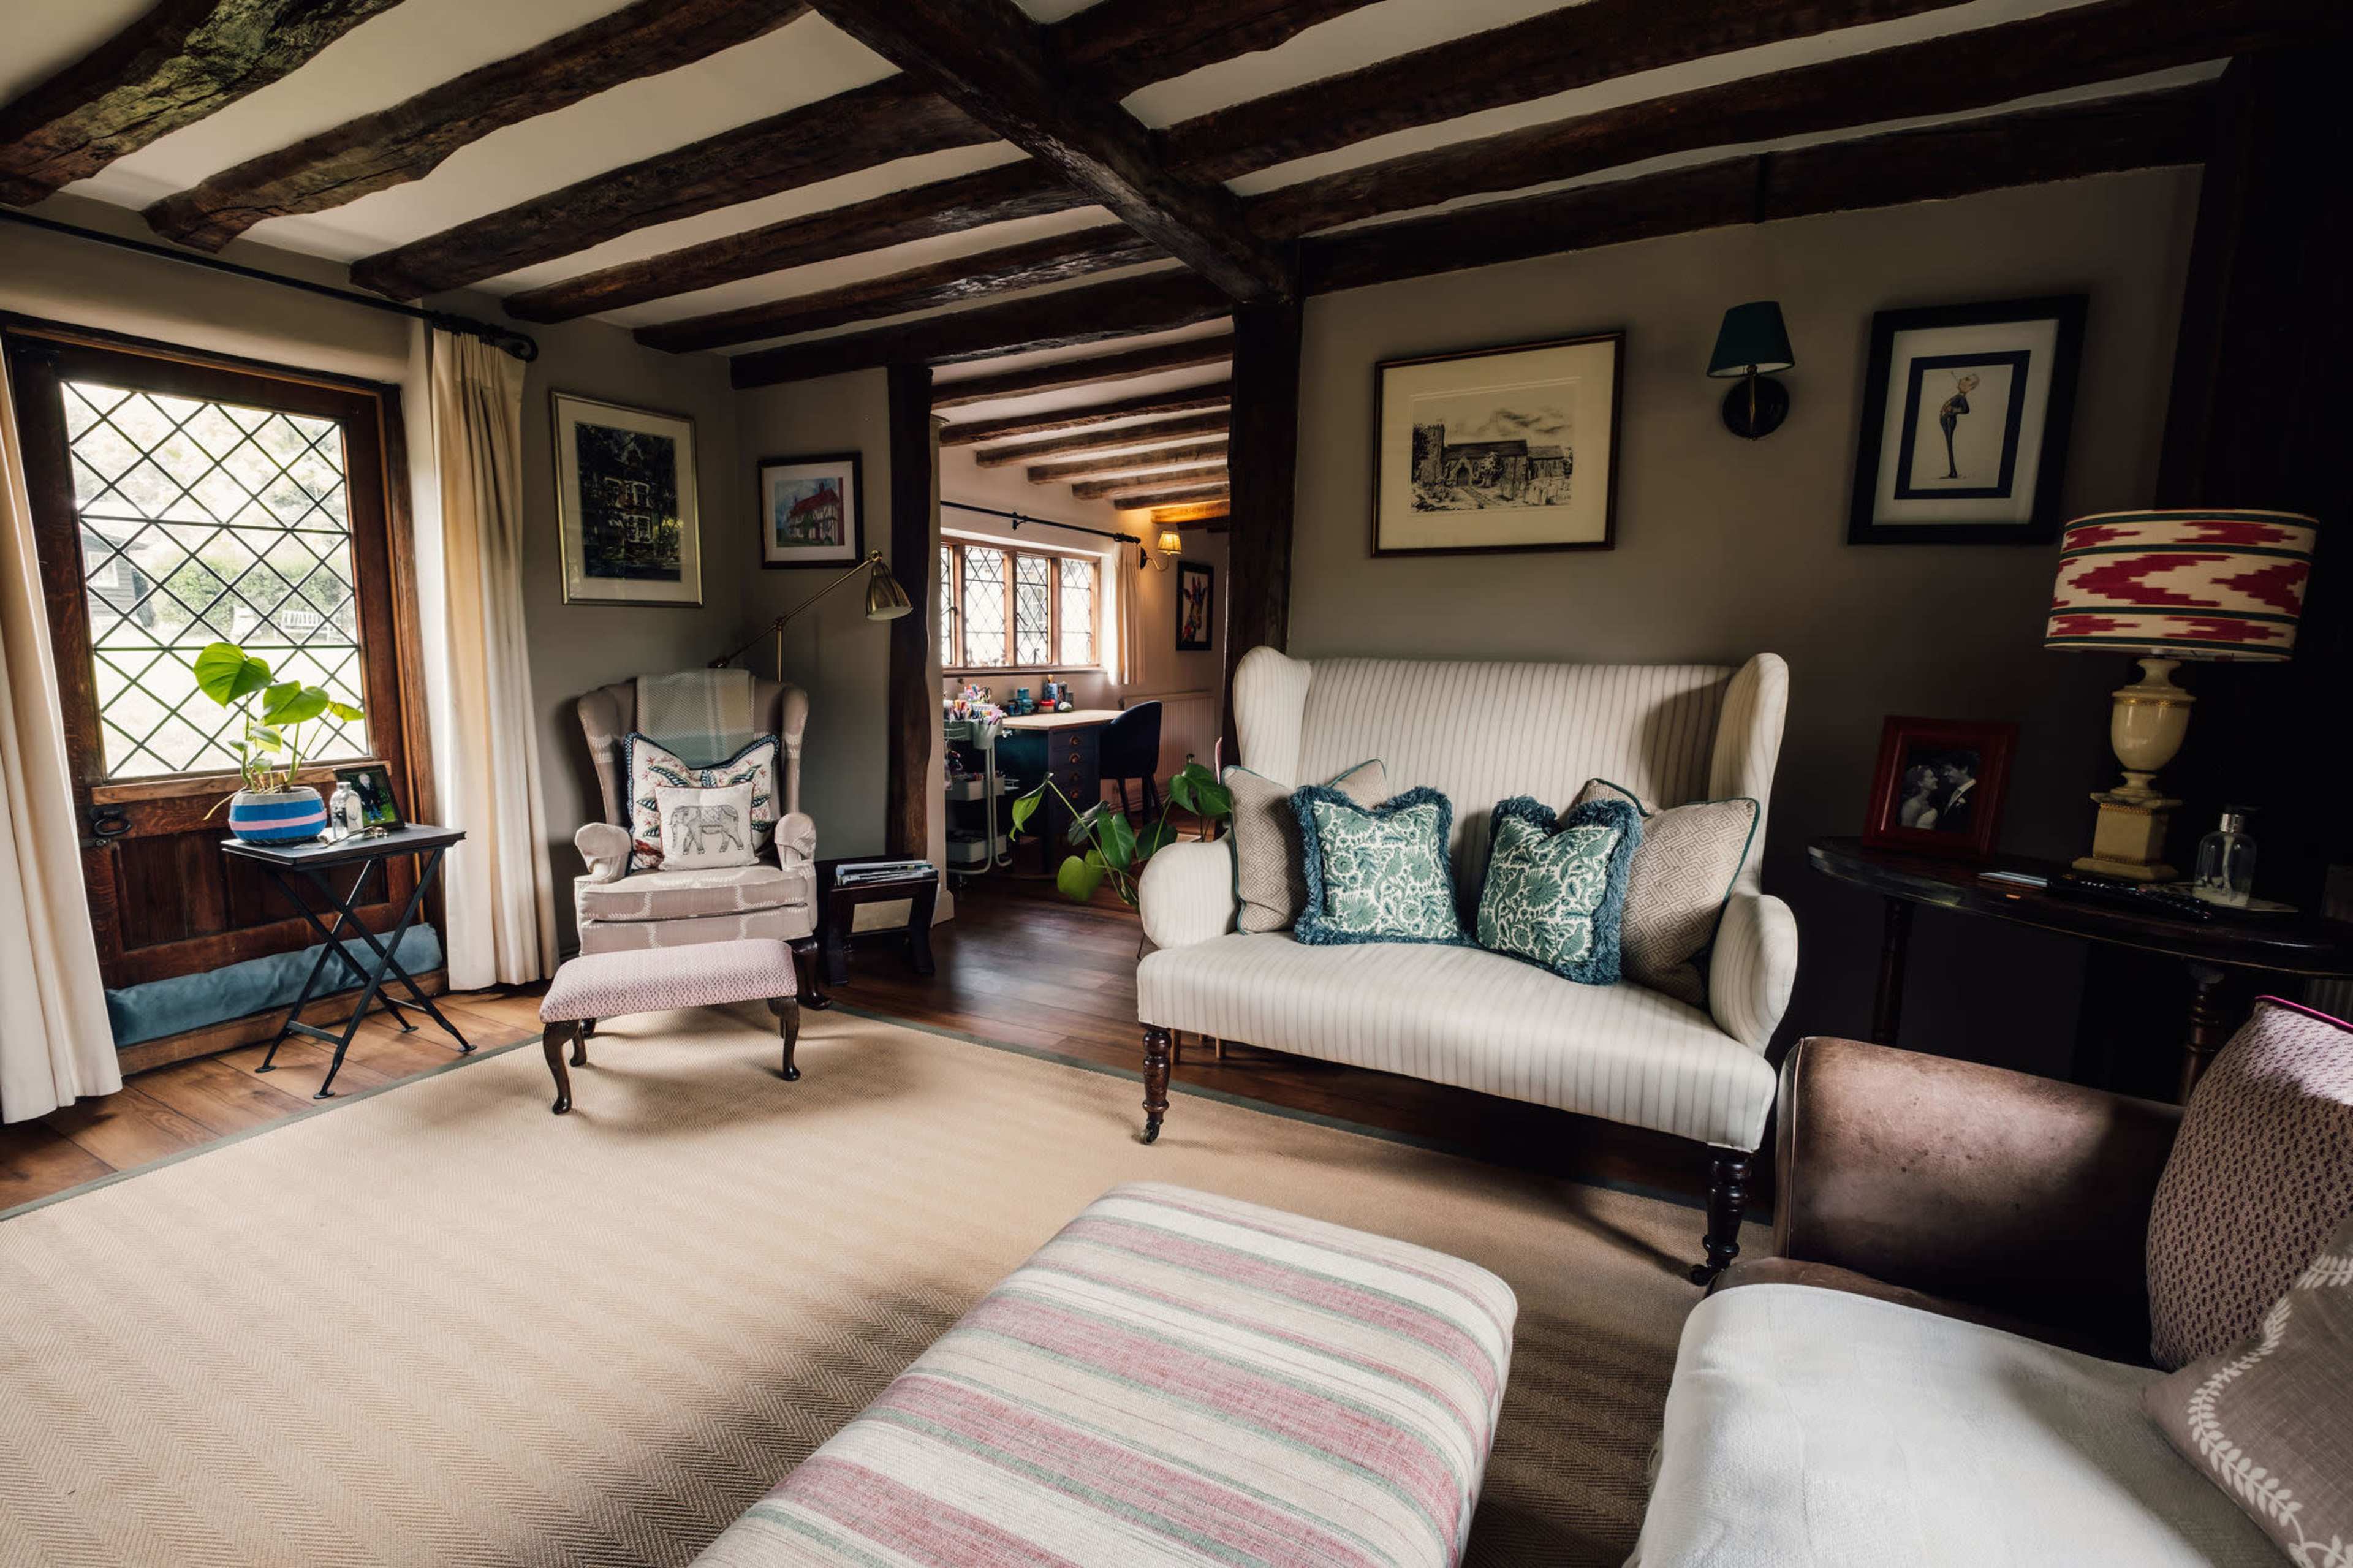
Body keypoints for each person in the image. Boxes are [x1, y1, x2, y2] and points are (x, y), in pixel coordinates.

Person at [1938, 372, 1980, 480]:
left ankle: (1953, 472)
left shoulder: (1961, 398)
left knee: (1949, 446)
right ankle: (1953, 472)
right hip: (1946, 421)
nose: (1961, 379)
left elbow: (1966, 410)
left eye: (1966, 379)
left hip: (1949, 421)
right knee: (1949, 446)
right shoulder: (1958, 397)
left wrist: (1952, 410)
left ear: (1970, 387)